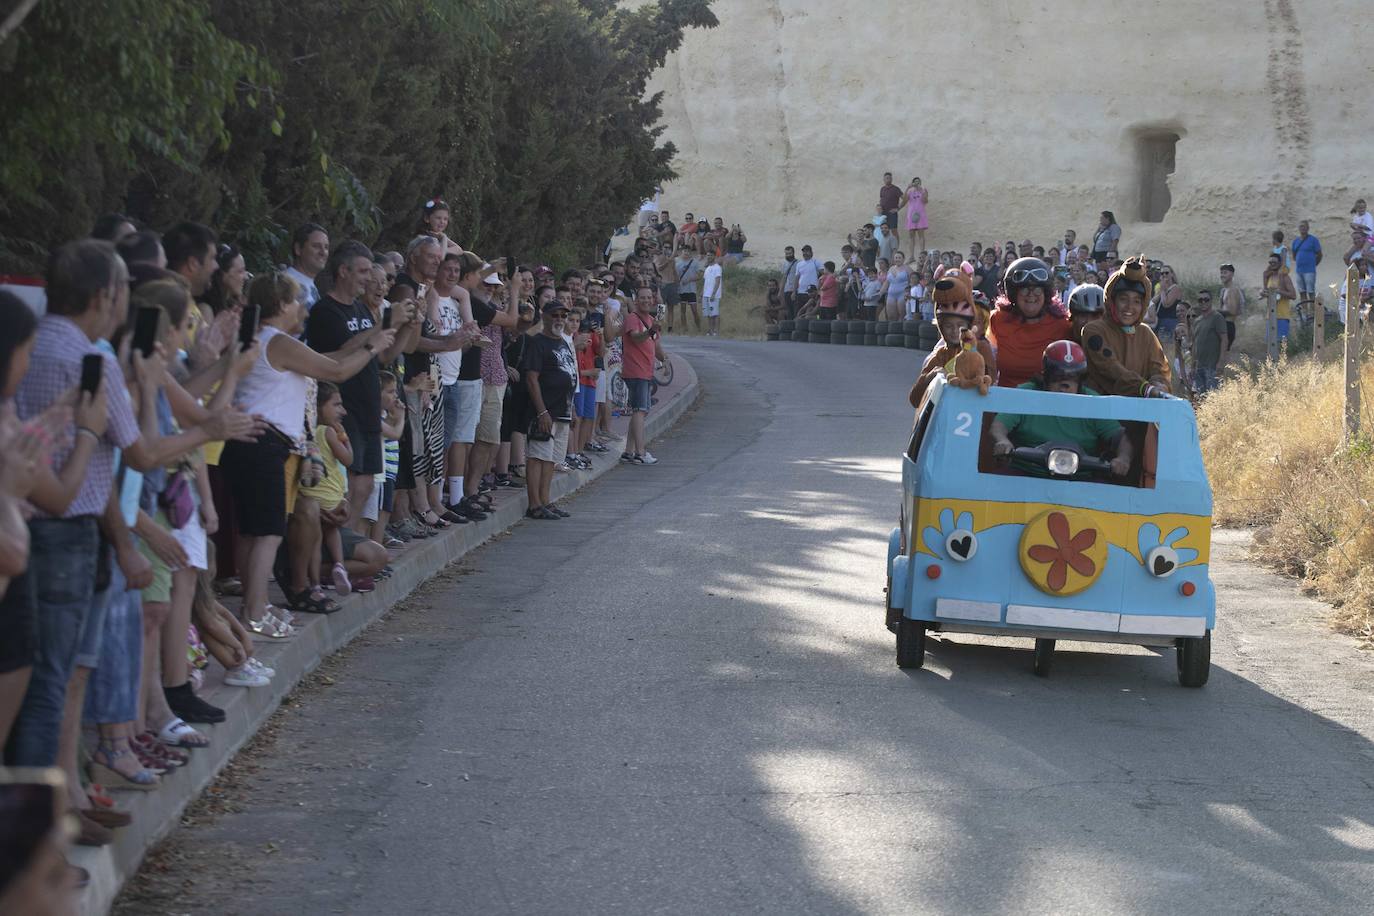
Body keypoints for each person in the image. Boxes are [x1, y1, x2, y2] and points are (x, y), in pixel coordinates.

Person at [304, 240, 413, 532]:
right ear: (343, 271)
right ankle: (336, 553)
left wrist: (407, 326)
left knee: (364, 486)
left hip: (367, 408)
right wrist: (384, 324)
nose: (369, 278)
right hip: (343, 409)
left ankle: (348, 550)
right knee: (347, 485)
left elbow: (383, 356)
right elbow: (343, 352)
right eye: (363, 271)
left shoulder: (361, 310)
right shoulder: (325, 311)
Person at [989, 340, 1133, 479]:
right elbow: (999, 425)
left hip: (1081, 479)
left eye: (1073, 377)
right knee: (995, 483)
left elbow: (1120, 436)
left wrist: (1123, 458)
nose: (1064, 385)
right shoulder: (1027, 393)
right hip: (1026, 472)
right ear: (1045, 376)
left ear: (1082, 380)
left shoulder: (1093, 401)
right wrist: (1002, 441)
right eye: (1057, 377)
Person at [1080, 257, 1171, 398]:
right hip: (1102, 414)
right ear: (1112, 301)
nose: (1129, 307)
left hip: (1140, 413)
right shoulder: (1093, 330)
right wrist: (1144, 388)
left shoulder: (1145, 333)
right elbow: (1110, 368)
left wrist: (1159, 384)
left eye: (1136, 301)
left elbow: (1159, 369)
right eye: (1123, 299)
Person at [908, 265, 997, 407]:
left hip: (973, 415)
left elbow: (990, 384)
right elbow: (915, 400)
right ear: (941, 328)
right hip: (945, 416)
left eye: (960, 326)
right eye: (949, 326)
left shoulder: (982, 347)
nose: (955, 331)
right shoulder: (941, 353)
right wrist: (931, 377)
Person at [521, 299, 577, 518]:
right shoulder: (538, 342)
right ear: (544, 316)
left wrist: (572, 409)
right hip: (545, 411)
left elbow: (569, 376)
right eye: (555, 315)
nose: (560, 320)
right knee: (538, 457)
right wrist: (542, 411)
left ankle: (546, 501)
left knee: (551, 460)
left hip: (563, 409)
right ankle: (534, 504)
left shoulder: (562, 342)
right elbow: (532, 379)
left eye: (563, 316)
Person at [987, 257, 1072, 388]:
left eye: (1037, 289)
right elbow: (986, 358)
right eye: (1024, 289)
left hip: (1045, 402)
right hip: (1005, 403)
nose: (1031, 295)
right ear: (1014, 293)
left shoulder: (1063, 325)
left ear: (1046, 293)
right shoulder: (997, 320)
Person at [620, 286, 665, 465]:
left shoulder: (652, 320)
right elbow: (636, 338)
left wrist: (666, 361)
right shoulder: (632, 318)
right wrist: (650, 331)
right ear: (636, 301)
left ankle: (628, 451)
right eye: (642, 298)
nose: (646, 301)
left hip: (646, 372)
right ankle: (640, 452)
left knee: (638, 411)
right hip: (635, 371)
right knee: (640, 410)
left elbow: (656, 347)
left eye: (649, 298)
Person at [1188, 290, 1228, 394]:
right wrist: (1192, 366)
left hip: (1212, 367)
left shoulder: (1217, 317)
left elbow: (1224, 339)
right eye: (1200, 300)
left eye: (1206, 299)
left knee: (1213, 399)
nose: (1203, 302)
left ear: (1211, 301)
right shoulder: (1197, 321)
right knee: (1201, 400)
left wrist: (1221, 362)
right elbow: (1194, 345)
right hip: (1199, 367)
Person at [284, 223, 329, 310]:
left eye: (326, 247)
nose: (323, 252)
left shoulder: (310, 284)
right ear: (298, 249)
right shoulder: (285, 284)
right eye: (316, 246)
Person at [1262, 252, 1297, 341]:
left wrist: (1279, 292)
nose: (1272, 264)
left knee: (1281, 345)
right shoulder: (1269, 277)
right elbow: (1266, 292)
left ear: (1279, 263)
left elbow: (1293, 295)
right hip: (1270, 316)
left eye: (1274, 262)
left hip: (1282, 316)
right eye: (1270, 262)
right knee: (1269, 344)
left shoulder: (1285, 277)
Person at [1148, 265, 1182, 342]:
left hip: (1170, 321)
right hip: (1160, 321)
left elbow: (1166, 304)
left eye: (1166, 273)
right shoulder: (1164, 289)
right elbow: (1152, 302)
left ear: (1172, 274)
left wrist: (1163, 290)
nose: (1164, 275)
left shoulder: (1175, 288)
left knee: (1167, 346)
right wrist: (1161, 291)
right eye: (1162, 273)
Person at [1291, 219, 1322, 303]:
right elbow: (1293, 255)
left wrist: (1314, 264)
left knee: (1311, 292)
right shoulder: (1295, 241)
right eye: (1301, 226)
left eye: (1304, 226)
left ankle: (1312, 312)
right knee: (1302, 292)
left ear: (1308, 228)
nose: (1302, 228)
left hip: (1309, 270)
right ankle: (1305, 313)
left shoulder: (1313, 240)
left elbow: (1319, 254)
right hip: (1299, 270)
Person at [1217, 263, 1246, 348]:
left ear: (1232, 274)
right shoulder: (1225, 290)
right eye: (1221, 273)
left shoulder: (1233, 290)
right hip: (1224, 325)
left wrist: (1215, 312)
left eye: (1225, 272)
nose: (1222, 275)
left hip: (1228, 325)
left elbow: (1233, 311)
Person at [902, 177, 929, 254]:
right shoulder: (910, 191)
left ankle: (922, 254)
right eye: (915, 182)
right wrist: (908, 187)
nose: (917, 183)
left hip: (920, 215)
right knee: (911, 236)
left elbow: (925, 201)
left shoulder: (923, 190)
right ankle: (911, 256)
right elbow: (904, 200)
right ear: (913, 183)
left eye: (918, 182)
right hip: (911, 215)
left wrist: (922, 191)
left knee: (921, 235)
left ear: (920, 183)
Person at [701, 252, 723, 336]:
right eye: (707, 255)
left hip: (713, 294)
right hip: (706, 294)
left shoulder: (717, 268)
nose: (709, 257)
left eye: (710, 255)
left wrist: (714, 293)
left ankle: (716, 331)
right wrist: (702, 294)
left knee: (715, 313)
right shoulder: (707, 268)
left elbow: (717, 281)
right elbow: (705, 282)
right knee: (708, 314)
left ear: (714, 256)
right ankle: (710, 330)